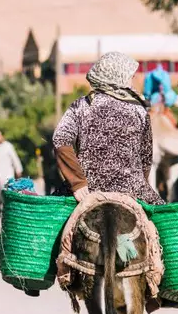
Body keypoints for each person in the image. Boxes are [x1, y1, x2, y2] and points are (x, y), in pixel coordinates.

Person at [52, 51, 164, 206]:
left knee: (47, 216)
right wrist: (139, 185)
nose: (132, 80)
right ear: (118, 76)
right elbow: (145, 158)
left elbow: (60, 139)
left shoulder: (81, 106)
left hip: (87, 190)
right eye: (130, 76)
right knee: (166, 218)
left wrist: (77, 183)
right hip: (133, 190)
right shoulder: (139, 110)